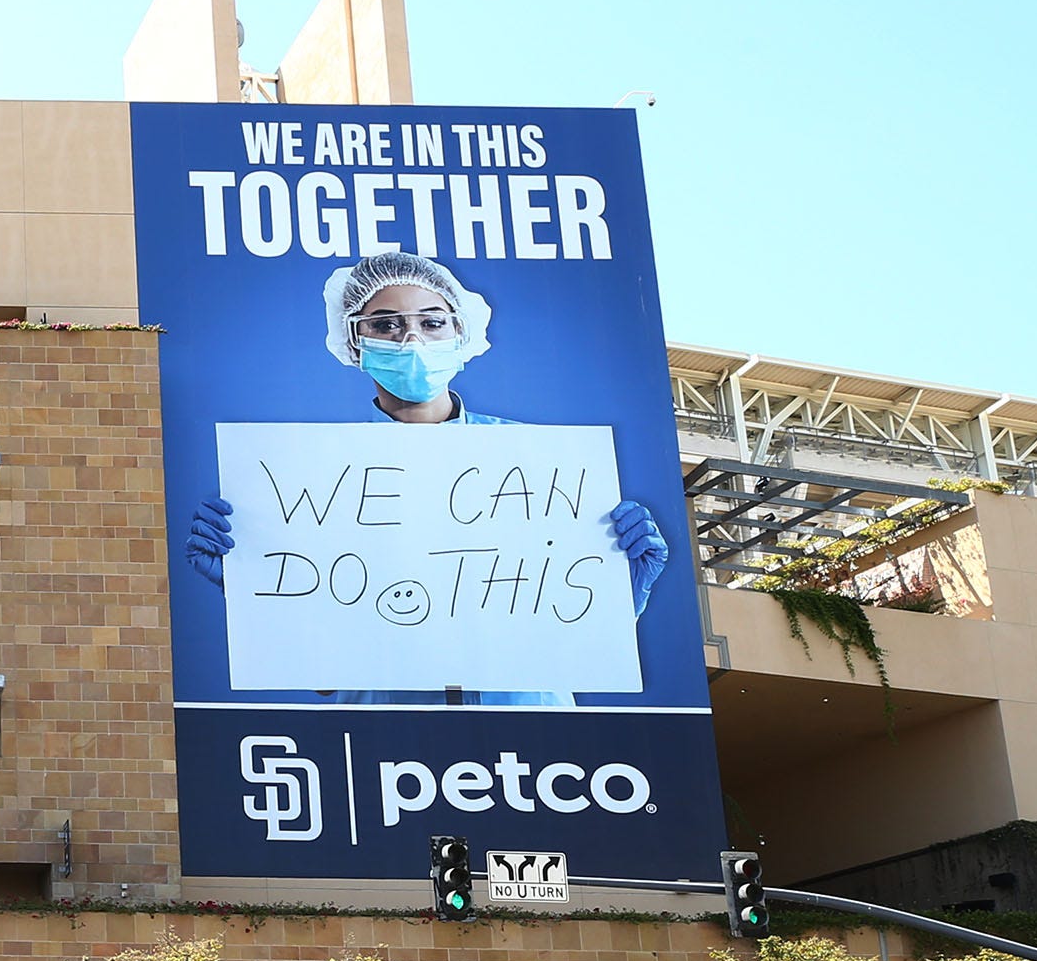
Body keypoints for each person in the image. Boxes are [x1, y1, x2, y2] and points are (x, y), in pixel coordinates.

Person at [179, 250, 673, 703]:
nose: (411, 340)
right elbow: (324, 676)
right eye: (386, 324)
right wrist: (253, 588)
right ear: (354, 341)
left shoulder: (539, 465)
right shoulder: (316, 482)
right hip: (388, 745)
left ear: (460, 334)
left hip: (535, 739)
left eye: (432, 322)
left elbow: (568, 631)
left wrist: (620, 592)